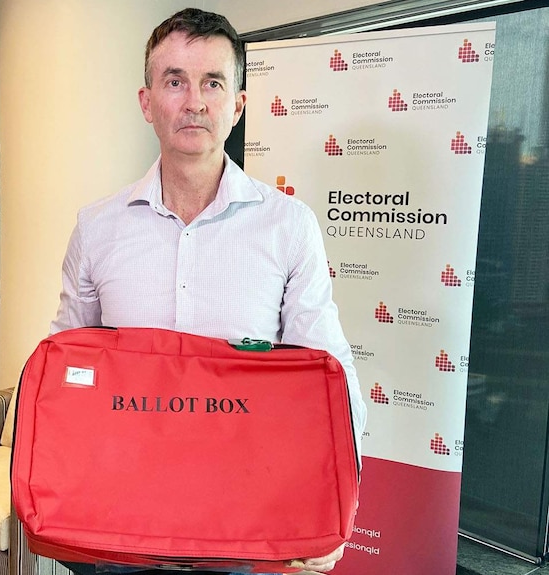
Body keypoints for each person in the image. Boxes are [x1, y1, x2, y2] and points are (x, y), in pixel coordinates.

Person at [50, 7, 367, 575]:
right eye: (174, 80)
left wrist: (338, 497)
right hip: (120, 508)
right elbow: (67, 365)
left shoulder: (288, 226)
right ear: (147, 102)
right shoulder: (97, 227)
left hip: (236, 509)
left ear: (237, 105)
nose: (194, 100)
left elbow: (328, 372)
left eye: (213, 82)